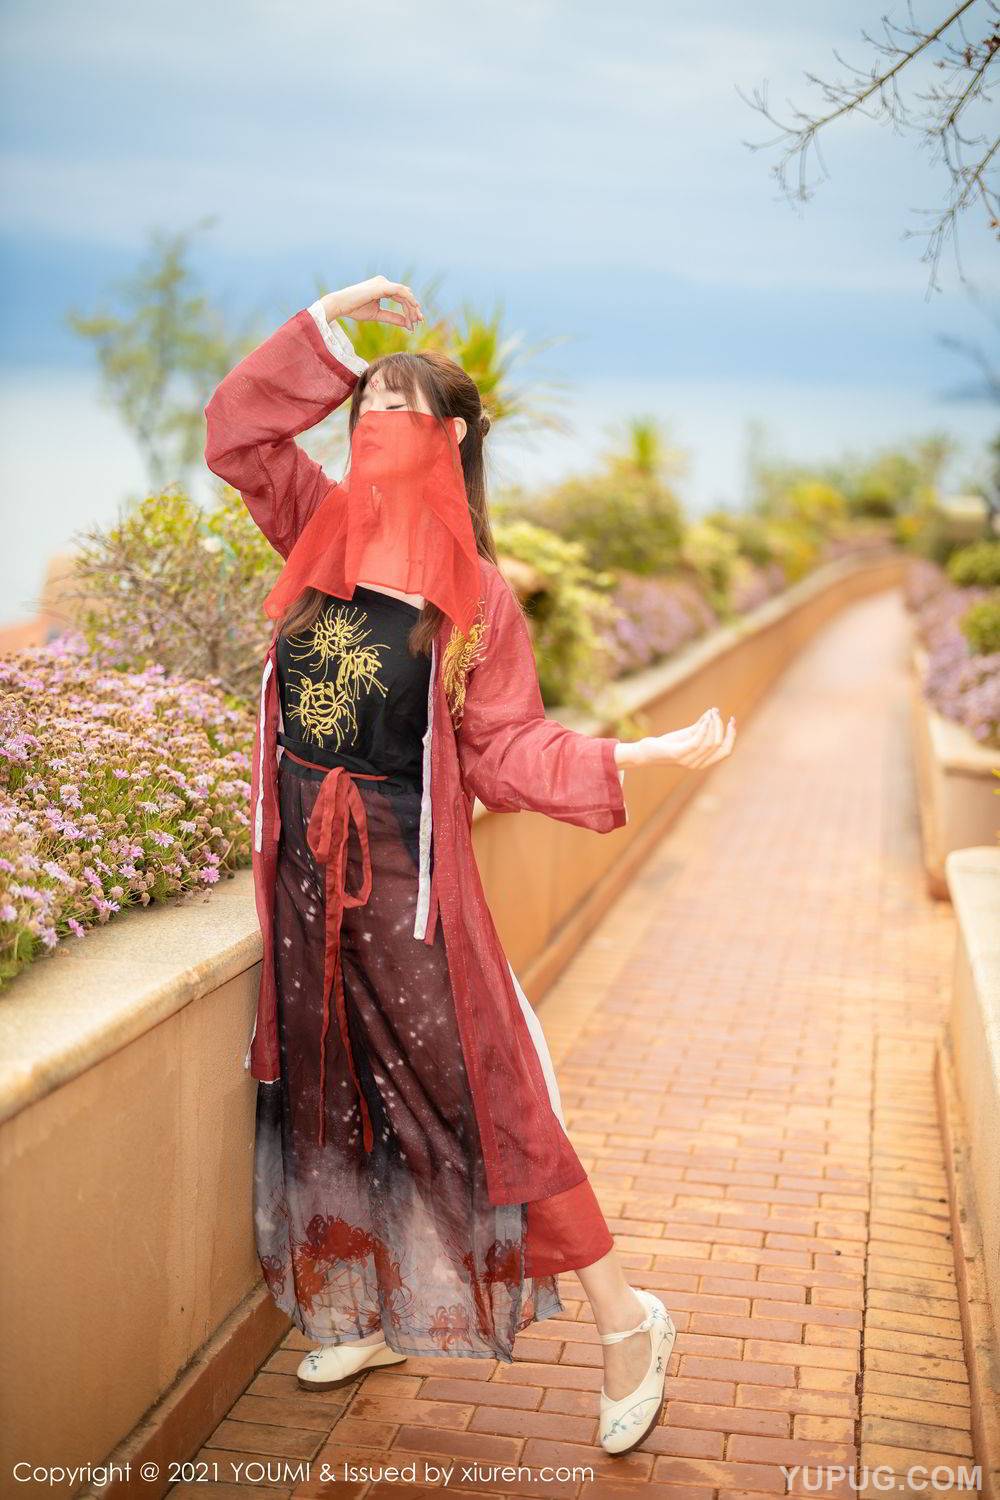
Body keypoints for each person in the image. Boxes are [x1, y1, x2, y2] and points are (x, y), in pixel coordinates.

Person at [203, 275, 736, 1457]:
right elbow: (235, 431)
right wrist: (334, 318)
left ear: (448, 440)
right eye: (364, 409)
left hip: (410, 889)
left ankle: (627, 1320)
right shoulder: (317, 529)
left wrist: (632, 753)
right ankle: (373, 1307)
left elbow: (505, 748)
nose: (374, 427)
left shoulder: (475, 598)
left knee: (485, 1103)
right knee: (334, 1094)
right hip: (306, 883)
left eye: (400, 411)